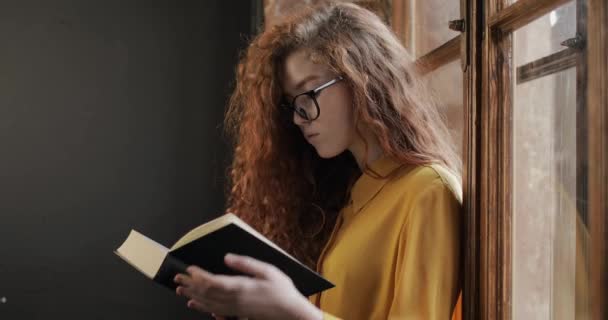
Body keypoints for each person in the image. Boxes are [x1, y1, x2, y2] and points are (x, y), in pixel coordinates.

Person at [173, 2, 463, 319]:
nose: (299, 118)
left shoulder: (427, 191)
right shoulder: (356, 194)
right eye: (291, 104)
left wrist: (292, 311)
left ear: (363, 78)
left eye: (309, 92)